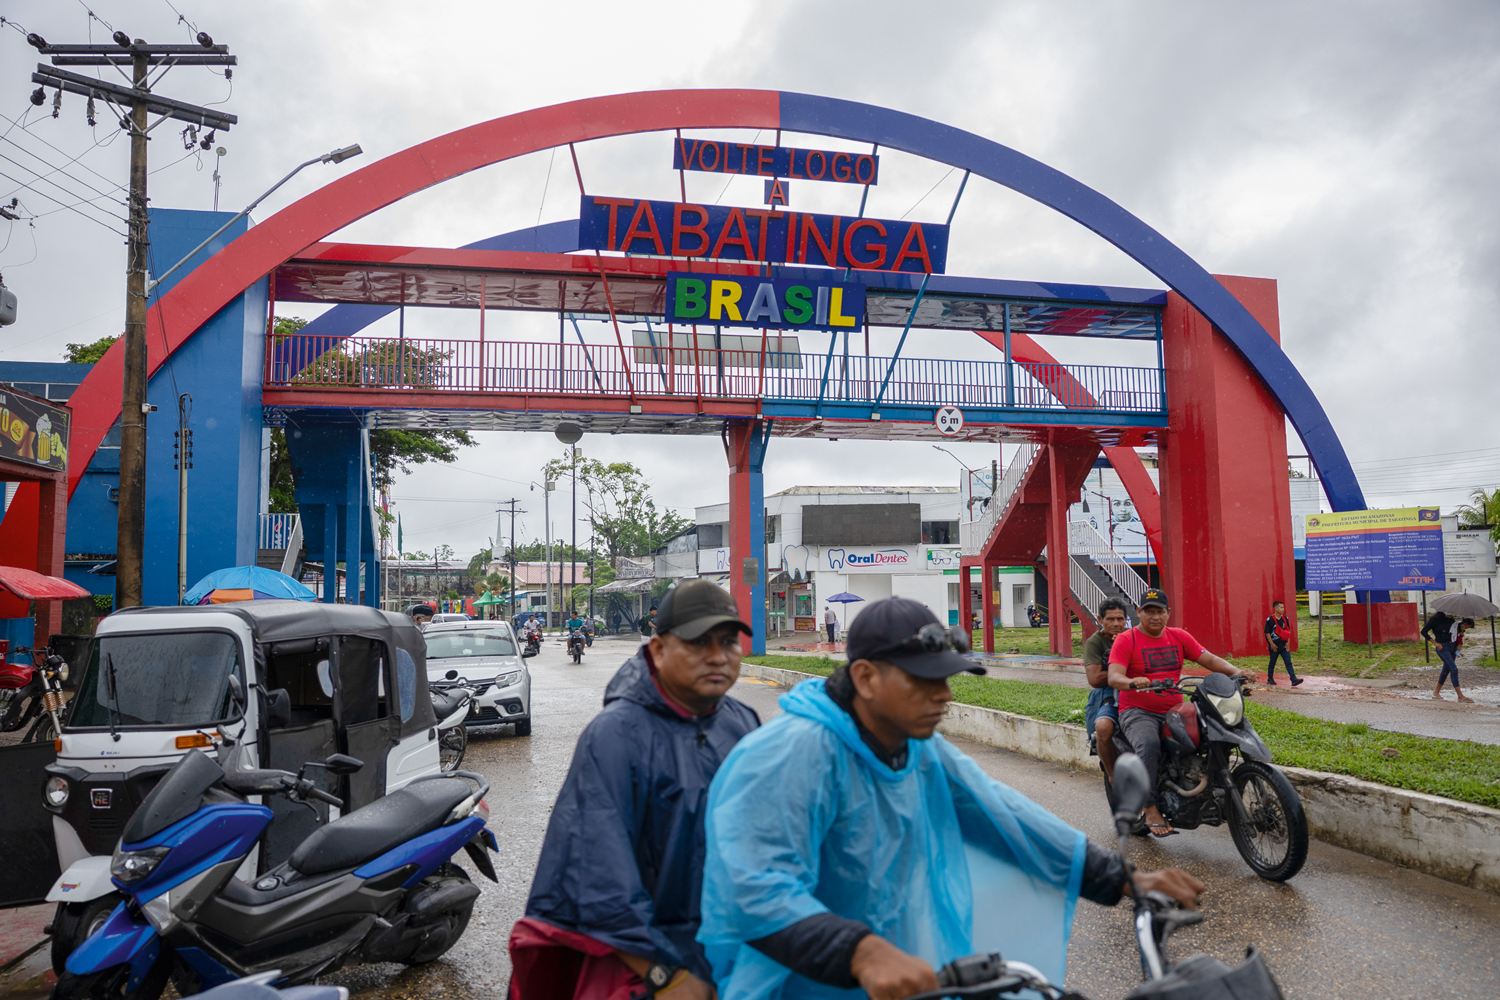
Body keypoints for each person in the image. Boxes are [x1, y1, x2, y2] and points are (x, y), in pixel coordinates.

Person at [698, 597, 1205, 1000]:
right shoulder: (791, 754)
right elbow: (752, 886)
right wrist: (862, 953)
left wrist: (1119, 877)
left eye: (945, 678)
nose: (944, 694)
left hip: (901, 977)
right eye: (924, 680)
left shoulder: (916, 748)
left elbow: (1002, 813)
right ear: (865, 677)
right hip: (801, 983)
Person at [510, 580, 760, 999]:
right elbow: (597, 872)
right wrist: (664, 974)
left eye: (728, 642)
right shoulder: (615, 735)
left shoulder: (743, 722)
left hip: (734, 959)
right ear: (658, 650)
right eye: (699, 642)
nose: (718, 656)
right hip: (652, 967)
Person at [1107, 588, 1248, 838]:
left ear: (1168, 613)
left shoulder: (1179, 636)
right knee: (1149, 744)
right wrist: (1132, 682)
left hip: (1175, 709)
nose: (1155, 616)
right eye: (1149, 611)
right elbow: (1114, 676)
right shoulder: (1126, 640)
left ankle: (1220, 792)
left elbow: (1209, 659)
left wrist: (1236, 672)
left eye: (1160, 611)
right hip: (1138, 711)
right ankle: (1150, 808)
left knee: (1216, 732)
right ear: (1139, 612)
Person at [1083, 598, 1130, 782]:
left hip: (1138, 691)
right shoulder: (1094, 643)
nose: (1116, 624)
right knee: (1103, 727)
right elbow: (1095, 679)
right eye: (1110, 619)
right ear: (1100, 619)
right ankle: (1112, 776)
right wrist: (1123, 672)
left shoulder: (1134, 637)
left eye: (1120, 619)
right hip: (1109, 693)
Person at [1423, 609, 1473, 703]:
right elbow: (1423, 632)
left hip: (1452, 646)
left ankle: (1436, 692)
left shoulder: (1452, 620)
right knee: (1454, 669)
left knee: (1446, 669)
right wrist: (1435, 643)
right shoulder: (1435, 619)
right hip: (1442, 647)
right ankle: (1460, 696)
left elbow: (1454, 634)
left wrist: (1461, 631)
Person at [1264, 600, 1303, 687]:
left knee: (1288, 662)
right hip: (1275, 645)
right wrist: (1271, 644)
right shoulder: (1270, 619)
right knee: (1272, 662)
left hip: (1284, 645)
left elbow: (1287, 631)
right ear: (1276, 608)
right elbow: (1267, 632)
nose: (1283, 609)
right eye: (1281, 607)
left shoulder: (1285, 619)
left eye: (1283, 607)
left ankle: (1293, 679)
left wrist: (1288, 643)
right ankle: (1270, 678)